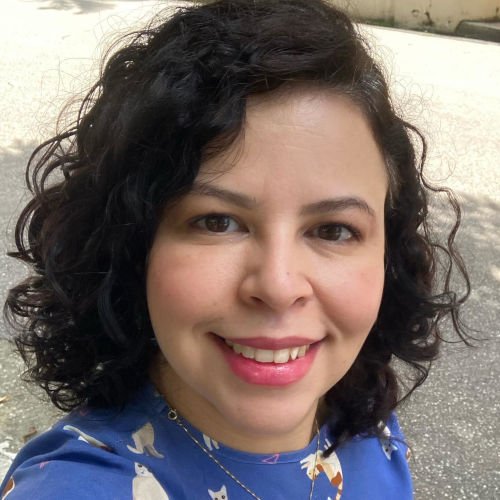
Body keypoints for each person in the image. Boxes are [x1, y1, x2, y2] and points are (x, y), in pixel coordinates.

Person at [0, 0, 471, 498]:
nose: (278, 286)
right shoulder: (75, 486)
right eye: (217, 222)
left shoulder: (364, 417)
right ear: (133, 244)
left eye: (334, 230)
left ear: (387, 254)